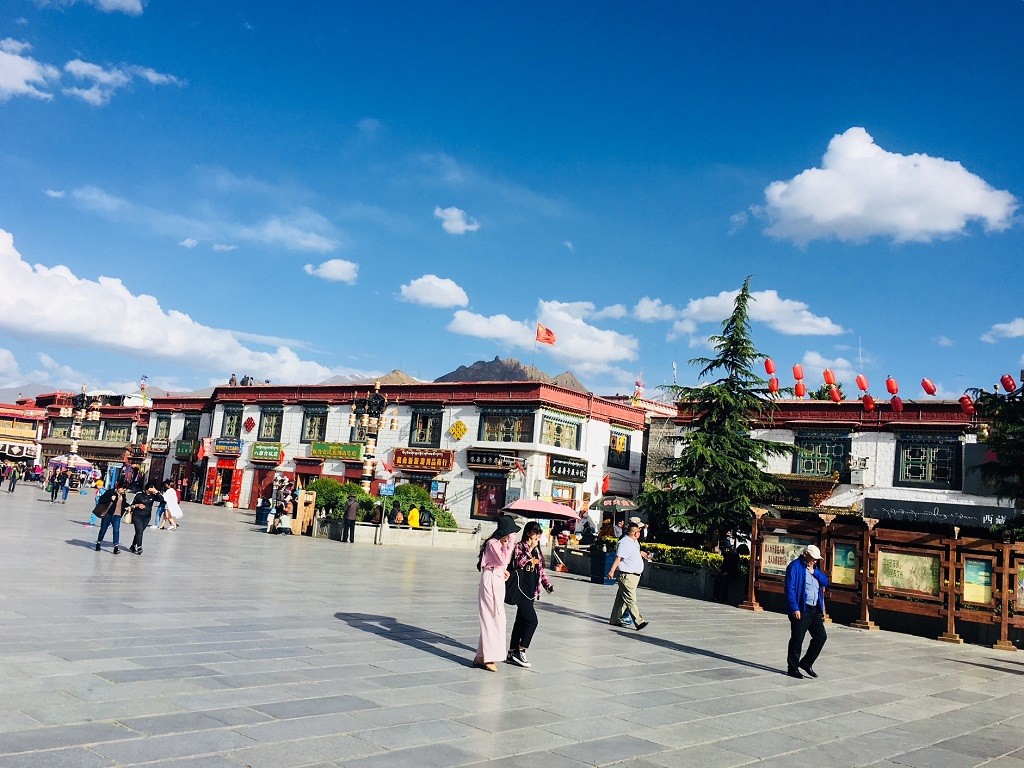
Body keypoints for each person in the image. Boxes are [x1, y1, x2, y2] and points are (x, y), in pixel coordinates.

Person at [473, 514, 520, 672]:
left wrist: (504, 570)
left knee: (497, 617)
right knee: (491, 617)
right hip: (490, 579)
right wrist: (508, 544)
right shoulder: (493, 543)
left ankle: (481, 656)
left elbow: (502, 564)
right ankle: (488, 657)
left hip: (498, 578)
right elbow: (502, 560)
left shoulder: (500, 543)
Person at [506, 521, 554, 668]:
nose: (537, 534)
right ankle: (521, 649)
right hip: (521, 588)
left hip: (531, 590)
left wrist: (547, 585)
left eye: (539, 531)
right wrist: (530, 549)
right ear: (528, 533)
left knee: (520, 621)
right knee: (532, 621)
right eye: (535, 531)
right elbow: (518, 563)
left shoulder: (538, 551)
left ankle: (512, 651)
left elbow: (541, 571)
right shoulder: (520, 547)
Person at [785, 544, 829, 679]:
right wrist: (794, 608)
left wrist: (814, 572)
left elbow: (826, 582)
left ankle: (806, 663)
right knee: (797, 639)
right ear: (806, 554)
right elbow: (790, 589)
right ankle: (792, 668)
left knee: (821, 637)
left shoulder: (815, 568)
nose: (815, 561)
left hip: (814, 609)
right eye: (813, 558)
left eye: (817, 559)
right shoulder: (795, 567)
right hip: (801, 609)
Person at [607, 522, 651, 631]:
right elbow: (619, 558)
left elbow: (633, 553)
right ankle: (639, 622)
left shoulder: (634, 542)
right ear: (634, 533)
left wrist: (642, 554)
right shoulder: (625, 542)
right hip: (627, 576)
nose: (640, 533)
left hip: (634, 576)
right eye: (639, 531)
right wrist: (612, 571)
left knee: (621, 599)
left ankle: (614, 619)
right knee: (631, 599)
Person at [127, 482, 162, 555]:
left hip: (147, 517)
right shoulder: (139, 494)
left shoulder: (153, 496)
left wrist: (156, 491)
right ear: (147, 488)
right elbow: (131, 504)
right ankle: (139, 547)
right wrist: (137, 505)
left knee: (139, 532)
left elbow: (162, 499)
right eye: (150, 488)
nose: (151, 490)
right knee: (139, 531)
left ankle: (133, 546)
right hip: (137, 515)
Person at [94, 483, 129, 554]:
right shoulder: (110, 492)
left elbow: (123, 503)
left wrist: (129, 506)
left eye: (124, 490)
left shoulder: (123, 495)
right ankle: (98, 543)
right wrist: (110, 498)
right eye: (122, 489)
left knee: (116, 531)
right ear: (118, 487)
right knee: (103, 529)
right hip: (108, 514)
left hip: (117, 515)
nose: (123, 491)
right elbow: (101, 499)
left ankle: (116, 547)